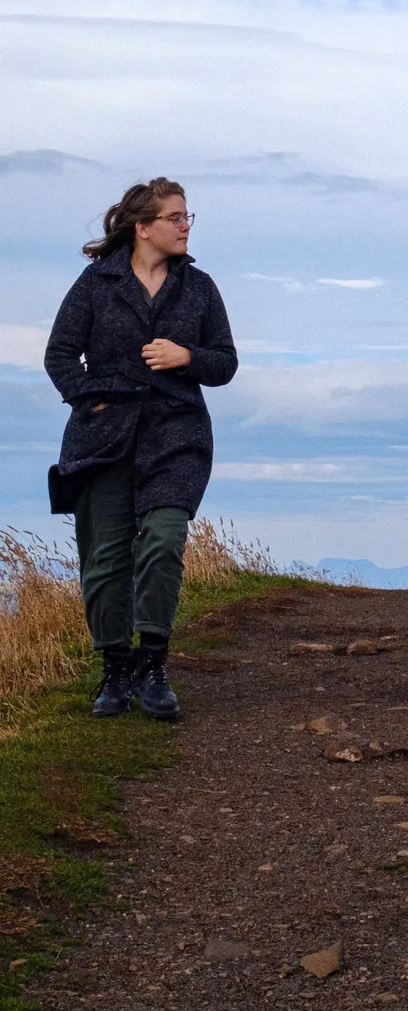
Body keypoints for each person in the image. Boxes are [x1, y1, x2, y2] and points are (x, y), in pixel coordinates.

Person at [44, 178, 238, 720]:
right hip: (103, 439)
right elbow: (60, 355)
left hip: (177, 437)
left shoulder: (199, 288)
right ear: (143, 226)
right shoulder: (96, 282)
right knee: (104, 562)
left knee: (163, 541)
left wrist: (186, 357)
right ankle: (115, 671)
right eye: (175, 217)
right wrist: (92, 400)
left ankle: (154, 665)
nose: (185, 226)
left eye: (186, 217)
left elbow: (224, 362)